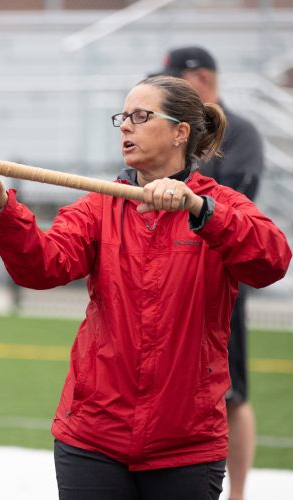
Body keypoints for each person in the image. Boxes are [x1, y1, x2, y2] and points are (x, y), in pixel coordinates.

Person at [0, 75, 291, 500]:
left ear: (181, 132)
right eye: (122, 117)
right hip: (93, 438)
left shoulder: (222, 205)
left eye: (141, 117)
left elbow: (271, 261)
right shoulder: (98, 206)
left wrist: (200, 208)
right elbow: (41, 267)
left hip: (187, 446)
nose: (125, 126)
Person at [151, 46, 264, 500]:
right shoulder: (168, 132)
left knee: (231, 392)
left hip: (216, 275)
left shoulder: (243, 134)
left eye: (175, 82)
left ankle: (235, 495)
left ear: (199, 79)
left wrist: (191, 201)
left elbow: (238, 205)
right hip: (162, 269)